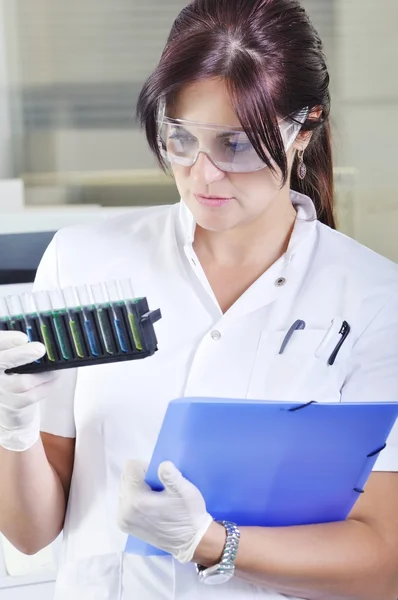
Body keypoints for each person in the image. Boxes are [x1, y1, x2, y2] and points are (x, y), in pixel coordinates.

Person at [0, 0, 398, 598]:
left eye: (236, 145)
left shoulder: (372, 300)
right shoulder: (84, 259)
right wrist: (14, 433)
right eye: (181, 138)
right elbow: (31, 535)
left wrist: (210, 541)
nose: (203, 174)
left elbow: (381, 562)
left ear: (305, 126)